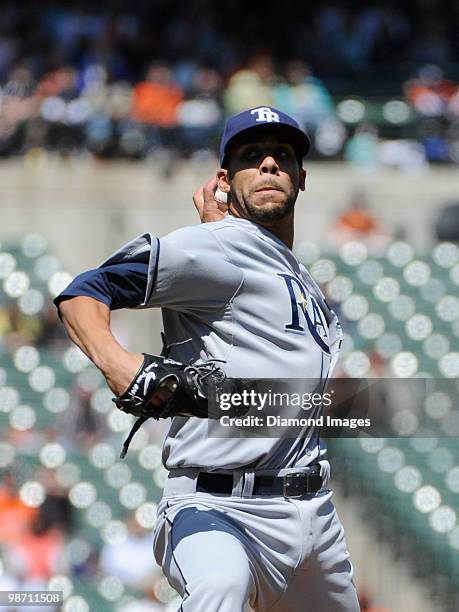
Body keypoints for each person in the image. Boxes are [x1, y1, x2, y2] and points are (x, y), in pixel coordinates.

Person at [55, 106, 359, 612]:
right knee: (220, 587)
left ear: (302, 178)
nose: (268, 165)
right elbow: (85, 290)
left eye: (282, 156)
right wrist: (116, 362)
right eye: (251, 156)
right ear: (224, 178)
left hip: (313, 512)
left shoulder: (301, 279)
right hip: (219, 504)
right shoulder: (216, 245)